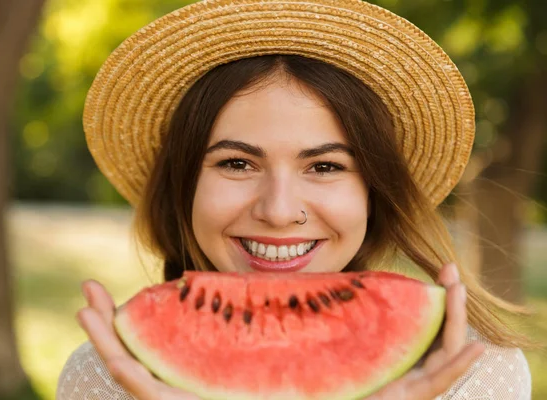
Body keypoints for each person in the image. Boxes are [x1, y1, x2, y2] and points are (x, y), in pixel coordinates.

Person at [56, 0, 533, 398]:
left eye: (325, 167)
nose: (279, 212)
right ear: (184, 185)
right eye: (236, 164)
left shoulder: (475, 376)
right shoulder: (103, 379)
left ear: (373, 192)